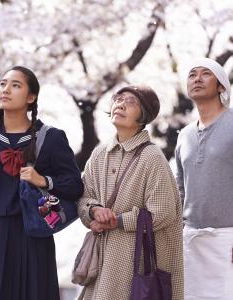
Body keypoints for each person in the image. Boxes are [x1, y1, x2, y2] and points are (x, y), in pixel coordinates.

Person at [0, 66, 84, 300]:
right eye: (2, 83)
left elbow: (75, 185)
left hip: (34, 235)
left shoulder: (51, 138)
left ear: (31, 97)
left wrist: (43, 180)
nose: (5, 90)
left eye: (15, 85)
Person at [77, 85, 183, 300]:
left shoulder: (152, 157)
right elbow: (83, 198)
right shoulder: (99, 154)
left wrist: (117, 220)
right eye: (118, 99)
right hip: (100, 264)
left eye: (131, 102)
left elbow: (163, 212)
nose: (121, 104)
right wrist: (94, 210)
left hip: (136, 264)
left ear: (143, 115)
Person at [175, 57, 233, 300]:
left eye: (205, 73)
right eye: (192, 74)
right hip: (191, 241)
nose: (197, 78)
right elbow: (180, 189)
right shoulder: (184, 135)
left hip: (228, 240)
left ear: (221, 85)